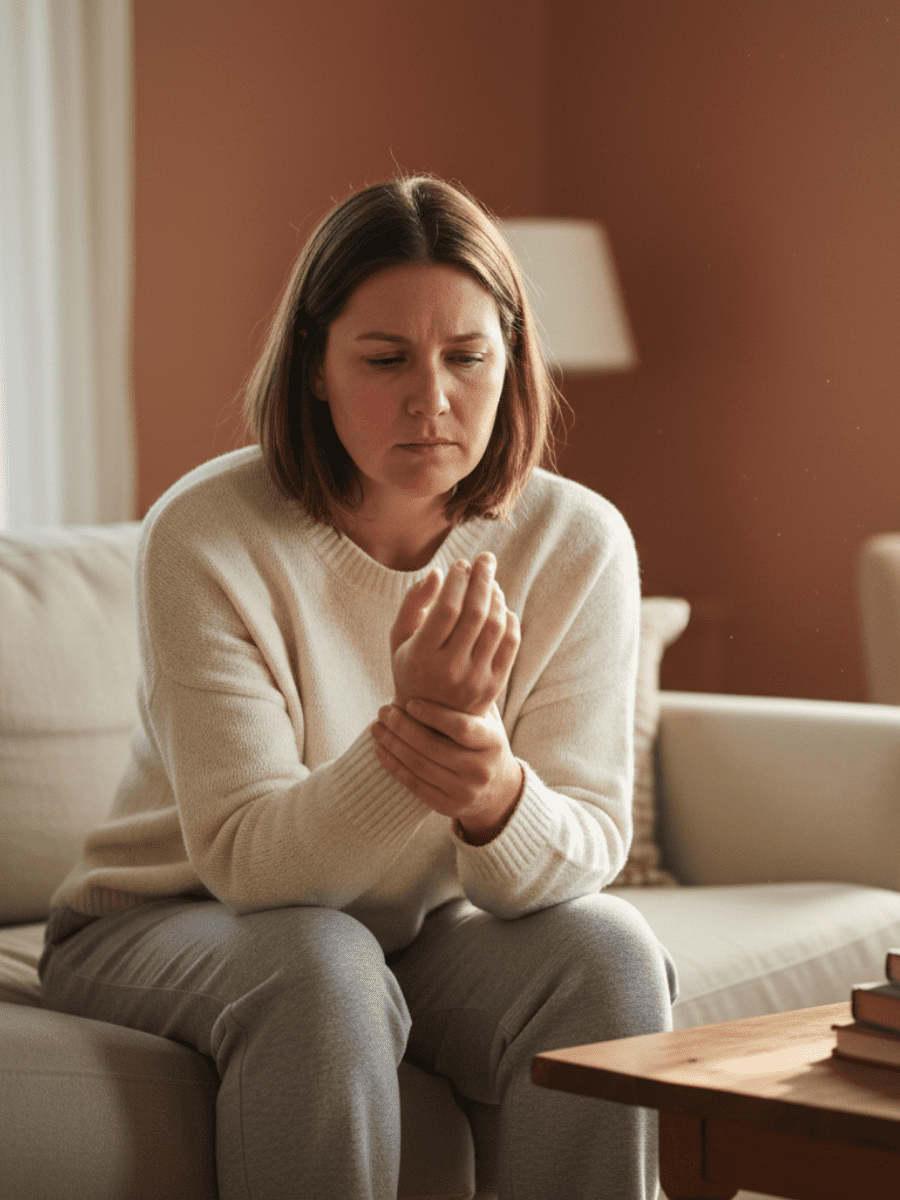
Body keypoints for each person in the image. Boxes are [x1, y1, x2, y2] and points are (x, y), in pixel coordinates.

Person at [39, 174, 677, 1199]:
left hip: (409, 933)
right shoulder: (208, 534)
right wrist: (421, 731)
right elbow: (249, 866)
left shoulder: (576, 541)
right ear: (317, 369)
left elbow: (573, 858)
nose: (433, 400)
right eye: (385, 360)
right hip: (162, 919)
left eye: (468, 357)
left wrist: (491, 793)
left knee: (606, 954)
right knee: (319, 959)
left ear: (511, 364)